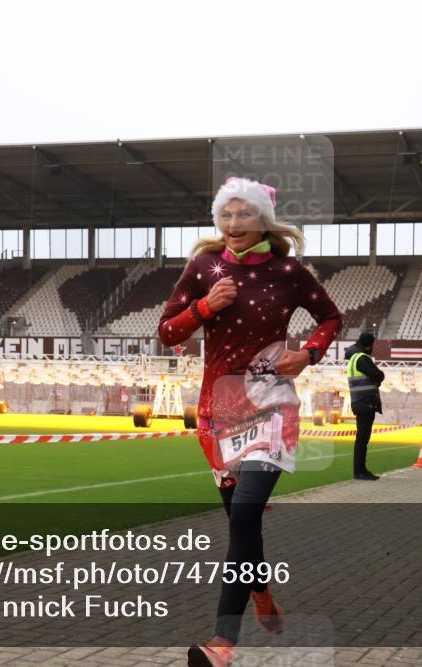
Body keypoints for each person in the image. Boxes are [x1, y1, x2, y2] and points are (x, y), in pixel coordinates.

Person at [158, 177, 342, 667]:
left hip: (272, 405)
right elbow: (165, 331)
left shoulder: (289, 271)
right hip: (219, 411)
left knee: (244, 516)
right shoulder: (204, 267)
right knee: (241, 525)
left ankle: (222, 644)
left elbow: (330, 318)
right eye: (226, 215)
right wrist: (203, 307)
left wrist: (308, 354)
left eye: (244, 215)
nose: (233, 224)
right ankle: (260, 589)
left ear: (264, 219)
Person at [345, 332, 385, 480]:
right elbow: (379, 375)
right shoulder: (362, 358)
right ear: (369, 345)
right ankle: (360, 471)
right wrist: (377, 380)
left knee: (362, 438)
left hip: (359, 401)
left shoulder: (354, 357)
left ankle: (360, 470)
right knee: (362, 438)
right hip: (365, 402)